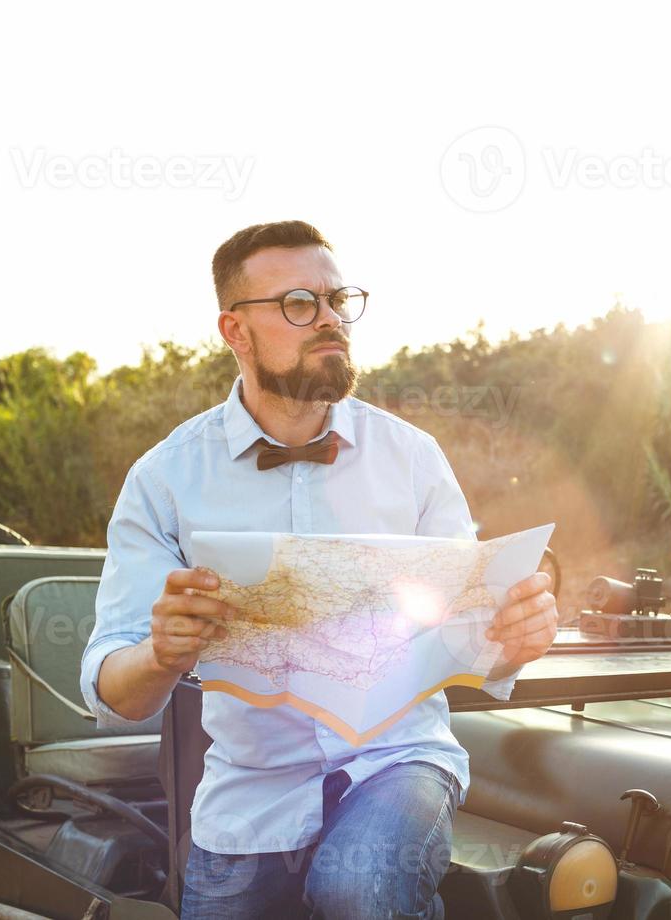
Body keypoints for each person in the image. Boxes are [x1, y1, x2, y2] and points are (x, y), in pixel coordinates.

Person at [79, 220, 558, 919]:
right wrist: (160, 653)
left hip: (397, 761)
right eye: (300, 304)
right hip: (247, 799)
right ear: (235, 331)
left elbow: (475, 634)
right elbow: (115, 690)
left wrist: (518, 635)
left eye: (339, 300)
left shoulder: (413, 459)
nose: (330, 319)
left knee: (358, 887)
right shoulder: (164, 480)